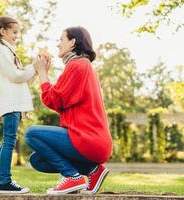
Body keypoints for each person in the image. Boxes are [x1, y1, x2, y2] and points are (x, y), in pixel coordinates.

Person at [25, 26, 112, 195]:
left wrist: (42, 72)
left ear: (72, 42)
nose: (58, 44)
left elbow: (52, 100)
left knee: (31, 134)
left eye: (61, 39)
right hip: (90, 139)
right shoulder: (82, 67)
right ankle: (93, 171)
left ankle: (72, 177)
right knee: (37, 160)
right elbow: (60, 102)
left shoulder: (78, 66)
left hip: (88, 139)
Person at [0, 16, 36, 194]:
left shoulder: (8, 51)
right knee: (9, 141)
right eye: (14, 32)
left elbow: (22, 79)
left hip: (13, 102)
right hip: (10, 103)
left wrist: (35, 69)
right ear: (2, 31)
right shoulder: (1, 50)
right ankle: (5, 182)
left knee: (6, 141)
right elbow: (15, 76)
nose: (17, 36)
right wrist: (33, 67)